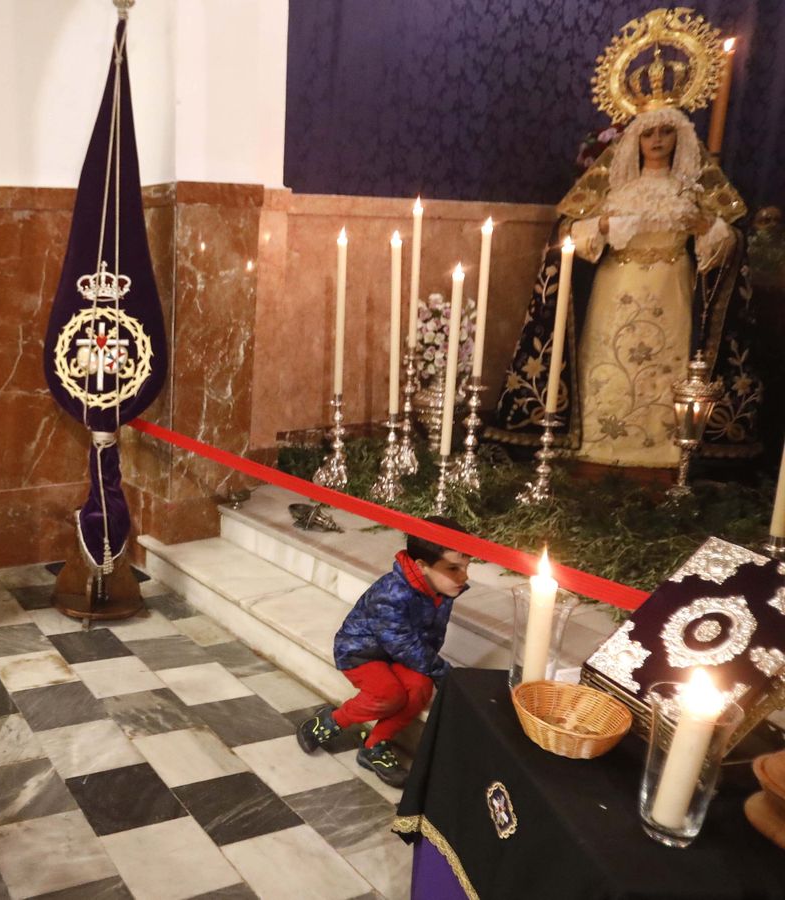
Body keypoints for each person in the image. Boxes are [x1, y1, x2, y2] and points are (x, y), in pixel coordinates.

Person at [488, 107, 759, 466]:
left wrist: (706, 226)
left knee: (665, 365)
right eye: (649, 133)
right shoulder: (617, 187)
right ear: (636, 139)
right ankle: (599, 437)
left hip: (670, 283)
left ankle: (665, 443)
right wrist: (601, 226)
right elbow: (568, 233)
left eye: (666, 132)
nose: (658, 140)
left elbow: (729, 245)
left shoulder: (690, 189)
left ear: (680, 138)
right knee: (606, 361)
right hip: (616, 283)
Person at [296, 517, 470, 788]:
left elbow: (419, 641)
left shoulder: (442, 589)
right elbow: (402, 643)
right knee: (388, 694)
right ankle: (329, 721)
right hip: (361, 652)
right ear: (422, 566)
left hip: (398, 655)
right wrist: (442, 671)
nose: (464, 576)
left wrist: (430, 671)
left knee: (420, 688)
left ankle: (374, 746)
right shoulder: (392, 593)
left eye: (466, 566)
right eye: (453, 568)